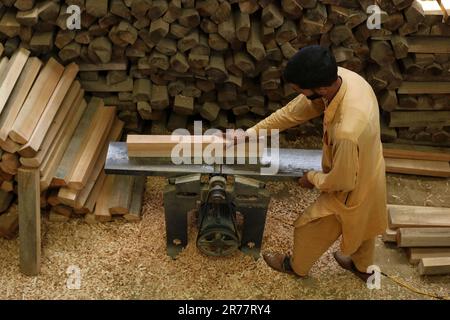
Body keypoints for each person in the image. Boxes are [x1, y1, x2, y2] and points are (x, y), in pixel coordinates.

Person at [245, 45, 388, 282]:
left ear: (320, 88)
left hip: (351, 187)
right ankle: (362, 268)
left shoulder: (347, 130)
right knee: (364, 224)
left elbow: (341, 180)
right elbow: (294, 112)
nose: (297, 93)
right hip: (372, 167)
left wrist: (310, 177)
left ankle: (296, 267)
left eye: (300, 89)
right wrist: (252, 132)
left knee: (309, 225)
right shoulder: (344, 78)